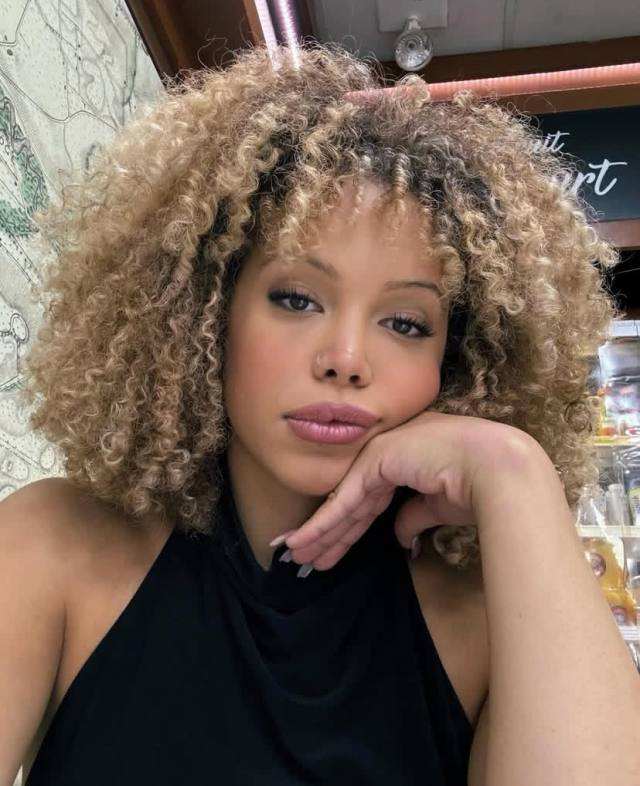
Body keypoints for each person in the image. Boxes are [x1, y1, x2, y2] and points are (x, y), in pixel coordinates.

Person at [1, 42, 638, 786]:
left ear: (456, 361)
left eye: (406, 323)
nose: (346, 358)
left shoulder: (487, 621)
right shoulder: (55, 545)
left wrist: (514, 472)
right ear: (205, 315)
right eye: (297, 298)